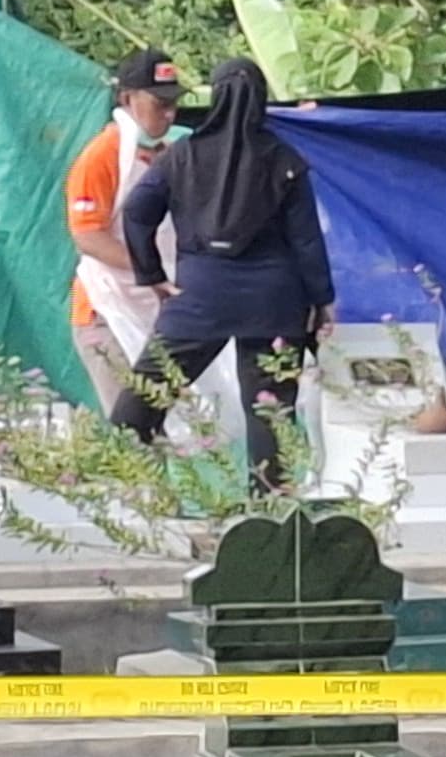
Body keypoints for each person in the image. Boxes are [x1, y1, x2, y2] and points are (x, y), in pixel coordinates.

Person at [111, 58, 331, 485]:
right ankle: (269, 520)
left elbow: (138, 211)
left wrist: (153, 275)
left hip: (199, 300)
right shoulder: (285, 161)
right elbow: (307, 240)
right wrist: (321, 301)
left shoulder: (182, 156)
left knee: (143, 399)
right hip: (274, 303)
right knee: (270, 414)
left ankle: (132, 497)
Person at [65, 50, 186, 414]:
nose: (169, 114)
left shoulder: (171, 152)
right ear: (127, 98)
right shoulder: (102, 156)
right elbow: (88, 236)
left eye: (174, 104)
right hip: (107, 313)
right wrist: (152, 272)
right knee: (134, 430)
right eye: (159, 103)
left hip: (156, 311)